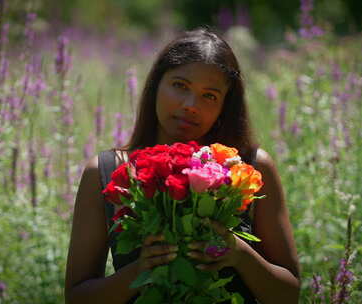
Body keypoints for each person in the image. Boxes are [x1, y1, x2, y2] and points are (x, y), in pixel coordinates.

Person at [65, 27, 300, 304]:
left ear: (225, 106)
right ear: (156, 86)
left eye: (209, 96)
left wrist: (240, 254)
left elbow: (289, 295)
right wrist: (140, 270)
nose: (191, 105)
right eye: (180, 86)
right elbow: (77, 298)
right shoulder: (106, 172)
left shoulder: (249, 170)